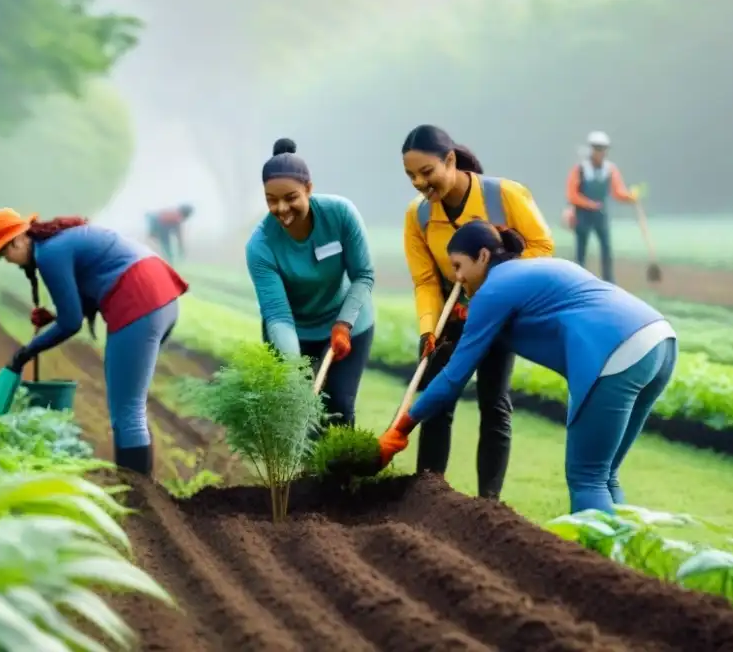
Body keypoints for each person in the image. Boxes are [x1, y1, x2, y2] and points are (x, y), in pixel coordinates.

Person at [380, 220, 677, 513]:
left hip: (615, 352)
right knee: (605, 475)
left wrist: (402, 427)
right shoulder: (529, 270)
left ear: (483, 256)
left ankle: (597, 560)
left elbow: (453, 378)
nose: (456, 278)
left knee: (587, 480)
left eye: (458, 266)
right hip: (659, 341)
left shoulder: (493, 291)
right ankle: (623, 558)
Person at [401, 124, 553, 498]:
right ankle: (427, 492)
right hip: (451, 317)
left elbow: (543, 249)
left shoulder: (504, 195)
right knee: (436, 399)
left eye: (427, 172)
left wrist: (495, 268)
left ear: (449, 160)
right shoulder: (418, 217)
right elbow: (425, 281)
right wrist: (428, 329)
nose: (420, 183)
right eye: (411, 176)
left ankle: (488, 503)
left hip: (500, 312)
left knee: (493, 401)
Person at [0, 208, 188, 476]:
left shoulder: (49, 253)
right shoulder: (59, 242)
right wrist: (54, 316)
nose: (8, 261)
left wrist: (24, 353)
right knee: (131, 407)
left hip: (139, 302)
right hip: (162, 297)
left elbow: (71, 322)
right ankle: (146, 497)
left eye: (4, 254)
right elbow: (85, 296)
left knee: (127, 412)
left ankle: (141, 500)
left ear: (18, 240)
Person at [246, 138, 375, 428]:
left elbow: (363, 275)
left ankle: (342, 474)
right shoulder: (261, 246)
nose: (281, 208)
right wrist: (294, 370)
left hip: (347, 321)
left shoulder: (340, 215)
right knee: (297, 416)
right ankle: (306, 474)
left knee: (338, 409)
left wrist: (344, 324)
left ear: (309, 189)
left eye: (291, 197)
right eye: (271, 200)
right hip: (293, 330)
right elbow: (278, 315)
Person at [564, 131, 639, 284]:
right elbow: (572, 194)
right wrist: (588, 203)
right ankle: (578, 280)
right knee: (581, 249)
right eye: (597, 148)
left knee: (606, 247)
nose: (600, 152)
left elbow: (617, 191)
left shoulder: (610, 169)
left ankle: (609, 280)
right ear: (591, 149)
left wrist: (630, 197)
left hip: (601, 214)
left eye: (603, 148)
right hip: (583, 214)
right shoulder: (580, 169)